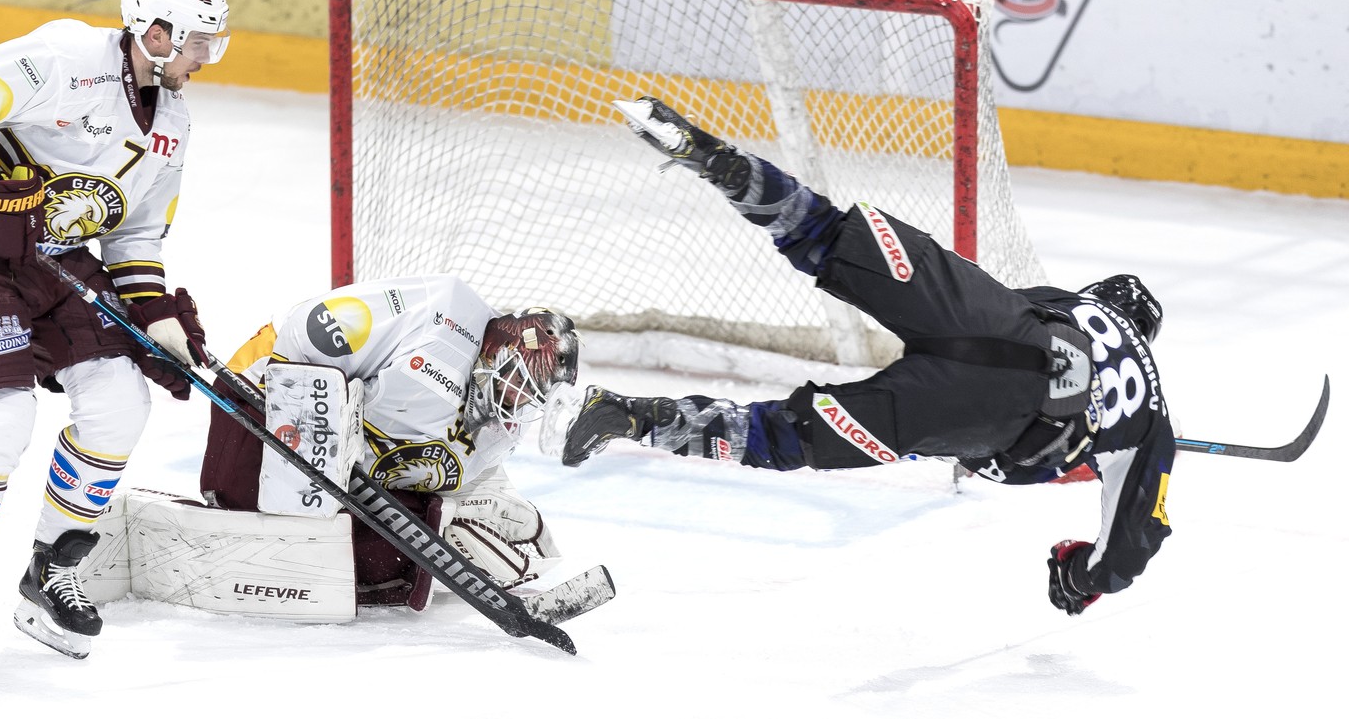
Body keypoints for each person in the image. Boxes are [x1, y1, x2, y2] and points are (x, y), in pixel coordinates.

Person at [562, 96, 1175, 617]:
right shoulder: (1151, 423)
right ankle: (630, 416)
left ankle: (715, 158)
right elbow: (1128, 551)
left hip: (995, 321)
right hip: (992, 411)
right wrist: (1081, 577)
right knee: (788, 437)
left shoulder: (1078, 304)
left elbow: (1033, 347)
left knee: (824, 233)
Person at [0, 0, 230, 676]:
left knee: (120, 403)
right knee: (1, 417)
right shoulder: (62, 60)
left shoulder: (171, 121)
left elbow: (134, 235)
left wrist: (156, 316)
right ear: (154, 32)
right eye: (199, 42)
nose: (207, 57)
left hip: (56, 253)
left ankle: (52, 571)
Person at [200, 273, 580, 607]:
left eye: (534, 397)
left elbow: (452, 468)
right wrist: (321, 444)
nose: (522, 403)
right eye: (520, 386)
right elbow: (309, 329)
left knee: (393, 548)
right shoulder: (439, 316)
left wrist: (473, 506)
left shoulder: (502, 411)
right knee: (248, 499)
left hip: (350, 455)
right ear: (499, 354)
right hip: (267, 390)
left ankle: (452, 519)